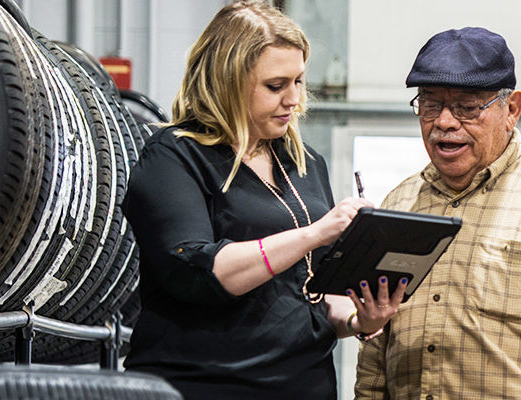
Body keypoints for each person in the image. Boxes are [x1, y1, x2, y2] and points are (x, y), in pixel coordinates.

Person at [121, 2, 405, 398]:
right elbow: (198, 273)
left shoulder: (305, 163)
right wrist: (313, 234)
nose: (293, 99)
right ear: (228, 81)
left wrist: (359, 319)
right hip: (204, 385)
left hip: (303, 384)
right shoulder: (174, 157)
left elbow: (317, 291)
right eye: (276, 86)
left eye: (299, 82)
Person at [354, 27, 521, 399]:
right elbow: (374, 348)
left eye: (467, 107)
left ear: (511, 109)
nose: (444, 122)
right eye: (430, 104)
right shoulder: (399, 203)